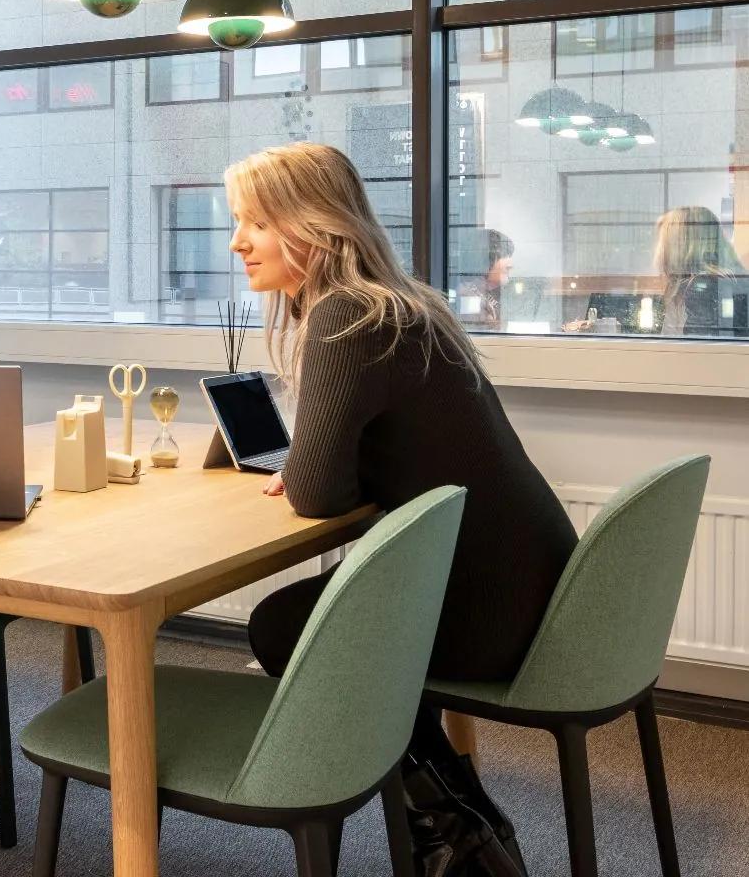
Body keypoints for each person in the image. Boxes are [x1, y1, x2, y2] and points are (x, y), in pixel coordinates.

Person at [226, 142, 577, 859]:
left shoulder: (344, 316)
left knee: (285, 627)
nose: (238, 242)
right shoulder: (407, 303)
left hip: (491, 610)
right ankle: (464, 819)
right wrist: (320, 464)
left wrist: (311, 469)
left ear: (313, 226)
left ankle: (457, 833)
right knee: (341, 620)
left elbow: (318, 497)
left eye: (255, 223)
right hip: (537, 581)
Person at [654, 206, 749, 339]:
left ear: (682, 245)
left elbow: (698, 349)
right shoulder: (730, 281)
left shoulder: (703, 288)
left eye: (666, 241)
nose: (661, 248)